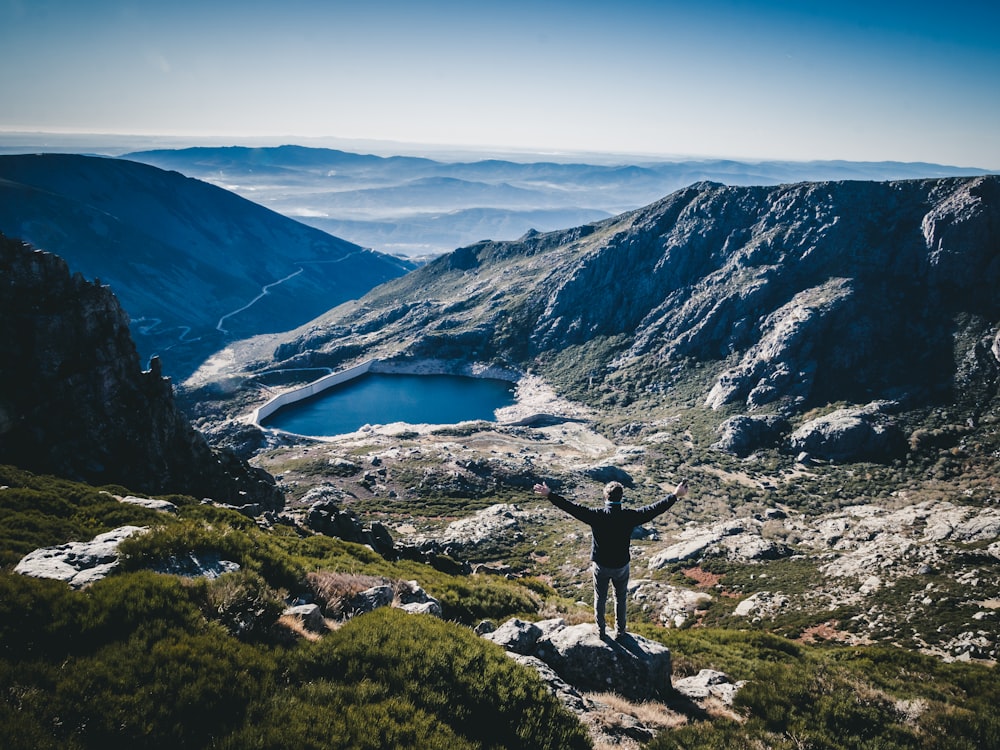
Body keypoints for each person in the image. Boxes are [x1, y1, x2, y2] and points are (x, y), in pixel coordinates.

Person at [533, 478, 688, 640]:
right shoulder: (630, 516)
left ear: (605, 497)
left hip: (601, 566)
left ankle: (601, 631)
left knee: (600, 598)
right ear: (621, 497)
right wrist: (675, 495)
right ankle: (620, 632)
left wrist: (550, 494)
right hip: (621, 566)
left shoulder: (596, 515)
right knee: (620, 599)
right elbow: (654, 509)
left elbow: (571, 507)